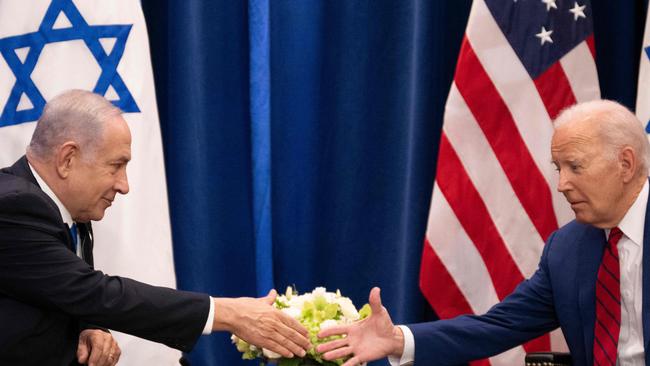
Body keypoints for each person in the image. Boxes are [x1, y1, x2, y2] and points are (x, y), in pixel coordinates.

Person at [317, 99, 650, 366]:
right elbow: (497, 326)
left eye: (575, 167)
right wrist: (398, 340)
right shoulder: (568, 249)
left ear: (625, 164)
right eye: (558, 169)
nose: (562, 185)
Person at [0, 90, 311, 366]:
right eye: (115, 166)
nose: (124, 186)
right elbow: (92, 291)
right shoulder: (14, 207)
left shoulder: (61, 209)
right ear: (68, 159)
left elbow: (54, 291)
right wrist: (228, 314)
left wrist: (87, 327)